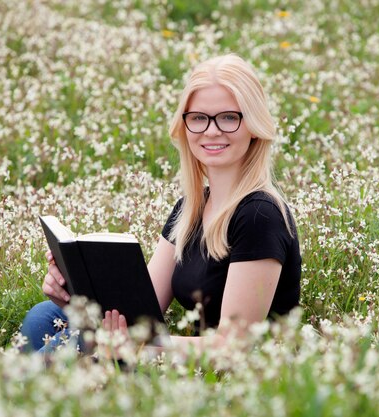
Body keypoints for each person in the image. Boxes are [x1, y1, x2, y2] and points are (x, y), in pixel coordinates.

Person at [21, 54, 301, 354]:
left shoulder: (260, 215)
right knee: (45, 317)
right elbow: (141, 310)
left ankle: (17, 389)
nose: (211, 130)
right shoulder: (190, 209)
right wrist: (72, 294)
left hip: (212, 374)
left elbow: (232, 348)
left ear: (254, 125)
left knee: (63, 351)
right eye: (198, 118)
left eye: (229, 117)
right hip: (175, 353)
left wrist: (143, 346)